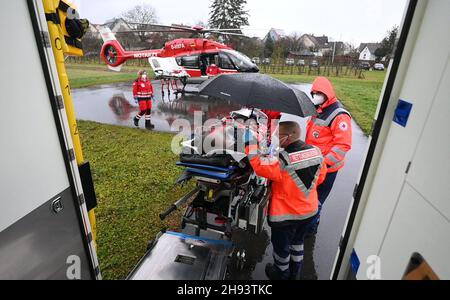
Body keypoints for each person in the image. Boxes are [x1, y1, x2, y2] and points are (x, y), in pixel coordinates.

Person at [245, 121, 327, 280]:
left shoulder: (282, 159)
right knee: (297, 243)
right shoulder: (316, 152)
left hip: (286, 217)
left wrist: (250, 143)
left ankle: (280, 274)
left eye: (279, 135)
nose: (276, 138)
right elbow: (321, 178)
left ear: (288, 137)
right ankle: (295, 273)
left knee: (282, 249)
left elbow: (259, 165)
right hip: (309, 213)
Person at [305, 76, 352, 231]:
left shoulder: (339, 115)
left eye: (319, 93)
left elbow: (342, 145)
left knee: (317, 201)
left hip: (327, 169)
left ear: (327, 93)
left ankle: (311, 228)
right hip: (314, 165)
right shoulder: (319, 109)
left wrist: (323, 163)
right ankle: (308, 223)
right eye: (314, 93)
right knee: (309, 199)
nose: (316, 96)